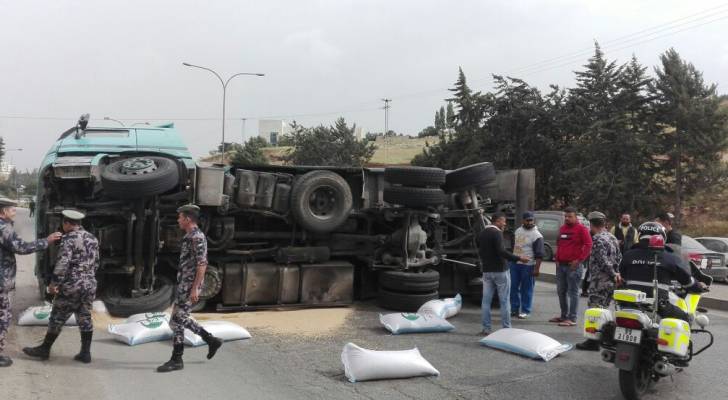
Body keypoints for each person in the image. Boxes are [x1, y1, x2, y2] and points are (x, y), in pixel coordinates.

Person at [23, 210, 99, 363]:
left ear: (67, 223)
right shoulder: (93, 238)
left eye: (63, 223)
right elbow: (96, 262)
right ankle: (85, 353)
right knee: (84, 317)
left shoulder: (69, 239)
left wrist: (53, 285)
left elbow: (62, 264)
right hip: (89, 284)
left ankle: (44, 349)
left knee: (57, 316)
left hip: (72, 285)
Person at [157, 204, 222, 373]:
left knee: (178, 320)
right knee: (176, 321)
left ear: (187, 219)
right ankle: (211, 340)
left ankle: (177, 359)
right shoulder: (190, 236)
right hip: (184, 285)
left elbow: (202, 264)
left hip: (189, 287)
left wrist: (195, 289)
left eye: (179, 217)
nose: (178, 220)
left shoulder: (197, 237)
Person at [0, 197, 61, 367]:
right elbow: (21, 248)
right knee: (2, 317)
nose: (15, 212)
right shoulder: (4, 228)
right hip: (1, 282)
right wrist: (46, 241)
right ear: (3, 212)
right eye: (12, 209)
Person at [618, 221, 705, 321]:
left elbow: (622, 276)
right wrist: (698, 286)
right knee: (686, 317)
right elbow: (686, 280)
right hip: (659, 306)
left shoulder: (628, 255)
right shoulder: (669, 257)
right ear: (662, 237)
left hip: (629, 304)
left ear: (639, 235)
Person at [477, 212, 529, 335]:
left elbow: (480, 251)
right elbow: (501, 251)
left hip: (487, 271)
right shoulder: (497, 233)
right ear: (497, 221)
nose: (505, 224)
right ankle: (506, 328)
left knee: (486, 301)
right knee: (504, 300)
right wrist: (519, 258)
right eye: (503, 221)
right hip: (500, 271)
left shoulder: (482, 233)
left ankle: (486, 328)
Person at [576, 211, 621, 351]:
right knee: (605, 309)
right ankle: (604, 338)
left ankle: (593, 341)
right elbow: (619, 257)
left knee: (595, 310)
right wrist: (617, 273)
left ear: (591, 224)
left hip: (600, 280)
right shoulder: (612, 237)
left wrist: (613, 273)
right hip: (611, 282)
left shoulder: (597, 239)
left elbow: (602, 261)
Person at [550, 207, 592, 327]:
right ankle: (563, 316)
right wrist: (557, 259)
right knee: (560, 291)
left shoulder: (582, 229)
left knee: (573, 292)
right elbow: (559, 244)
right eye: (566, 216)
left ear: (575, 217)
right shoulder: (562, 228)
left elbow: (589, 245)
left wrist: (579, 260)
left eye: (570, 216)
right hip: (561, 266)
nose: (567, 218)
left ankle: (572, 318)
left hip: (573, 267)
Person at [509, 211, 544, 319]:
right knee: (513, 287)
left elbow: (539, 255)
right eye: (527, 220)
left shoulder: (537, 235)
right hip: (515, 264)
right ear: (523, 220)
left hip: (528, 265)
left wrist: (536, 269)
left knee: (527, 289)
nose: (530, 222)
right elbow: (513, 246)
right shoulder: (518, 231)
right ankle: (514, 309)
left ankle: (525, 310)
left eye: (531, 220)